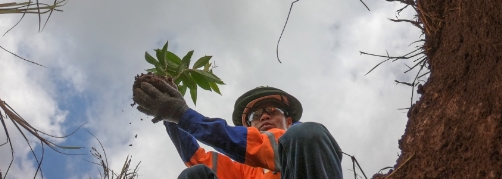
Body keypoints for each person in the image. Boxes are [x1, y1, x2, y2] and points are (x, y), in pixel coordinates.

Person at [133, 82, 344, 179]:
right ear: (249, 127)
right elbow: (196, 158)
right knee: (194, 175)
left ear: (288, 120)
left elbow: (267, 145)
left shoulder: (303, 140)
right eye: (256, 115)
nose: (264, 116)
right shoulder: (245, 172)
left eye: (273, 110)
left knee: (306, 135)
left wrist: (182, 114)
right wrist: (168, 115)